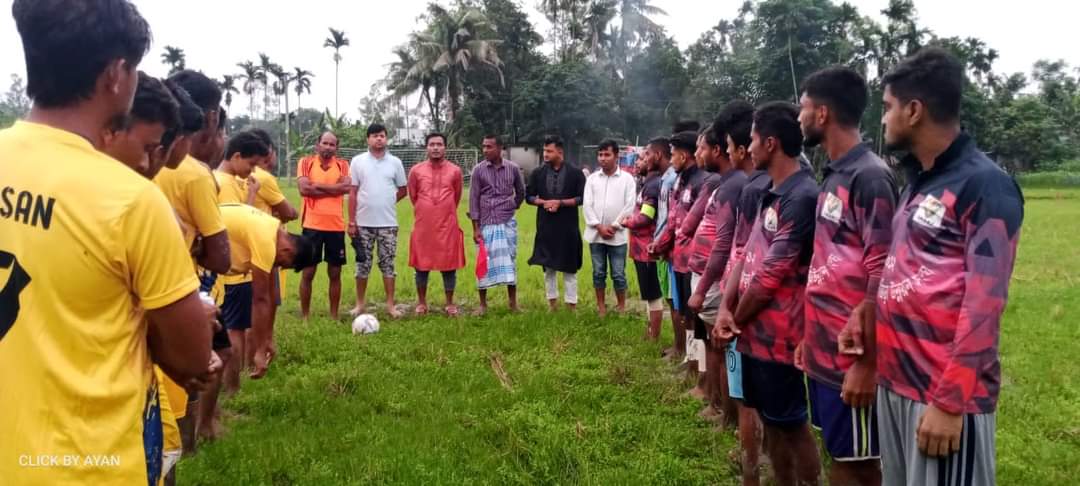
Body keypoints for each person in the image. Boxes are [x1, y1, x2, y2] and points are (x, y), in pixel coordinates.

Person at [1, 2, 217, 484]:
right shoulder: (130, 199)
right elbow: (191, 358)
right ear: (117, 74)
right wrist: (190, 321)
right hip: (86, 466)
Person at [874, 48, 1024, 486]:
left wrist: (949, 401)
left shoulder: (985, 186)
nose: (883, 120)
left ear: (914, 111)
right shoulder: (919, 181)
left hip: (940, 397)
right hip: (896, 383)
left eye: (887, 107)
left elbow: (984, 307)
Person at [797, 66, 898, 486]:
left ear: (822, 114)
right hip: (823, 349)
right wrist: (809, 336)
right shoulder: (835, 174)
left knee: (857, 465)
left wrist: (867, 363)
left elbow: (883, 271)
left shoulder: (869, 176)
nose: (799, 117)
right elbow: (827, 263)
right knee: (839, 452)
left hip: (851, 359)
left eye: (803, 108)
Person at [714, 102, 821, 486]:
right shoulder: (770, 192)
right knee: (771, 423)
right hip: (752, 334)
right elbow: (746, 256)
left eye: (754, 139)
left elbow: (771, 274)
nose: (750, 146)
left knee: (791, 426)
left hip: (780, 338)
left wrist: (733, 317)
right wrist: (726, 308)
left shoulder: (802, 196)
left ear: (771, 143)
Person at [710, 100, 767, 486]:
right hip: (746, 304)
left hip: (749, 309)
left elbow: (742, 253)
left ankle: (752, 470)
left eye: (730, 146)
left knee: (750, 396)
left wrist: (729, 307)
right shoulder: (766, 186)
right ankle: (758, 458)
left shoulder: (751, 189)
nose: (728, 153)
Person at [686, 119, 750, 427]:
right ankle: (716, 403)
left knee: (720, 346)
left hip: (717, 280)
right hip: (708, 276)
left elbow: (725, 242)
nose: (698, 153)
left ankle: (727, 415)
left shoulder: (735, 185)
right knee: (713, 343)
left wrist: (703, 288)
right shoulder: (723, 183)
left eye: (702, 148)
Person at [649, 130, 709, 370]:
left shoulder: (703, 182)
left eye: (673, 154)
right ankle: (690, 361)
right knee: (684, 313)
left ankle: (698, 366)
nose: (671, 158)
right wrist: (660, 244)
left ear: (683, 156)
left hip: (695, 262)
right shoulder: (679, 181)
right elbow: (673, 219)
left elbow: (691, 225)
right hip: (678, 259)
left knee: (696, 316)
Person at [349, 123, 408, 318]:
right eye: (374, 136)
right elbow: (353, 192)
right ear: (368, 139)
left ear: (386, 138)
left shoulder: (395, 162)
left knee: (388, 264)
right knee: (362, 265)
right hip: (363, 224)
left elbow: (403, 190)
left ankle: (390, 305)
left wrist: (387, 202)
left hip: (388, 224)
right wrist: (352, 221)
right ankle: (360, 304)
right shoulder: (357, 161)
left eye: (382, 135)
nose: (379, 139)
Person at [407, 132, 466, 316]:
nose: (435, 148)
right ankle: (421, 303)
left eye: (439, 144)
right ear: (426, 147)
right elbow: (413, 196)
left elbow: (456, 197)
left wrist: (443, 210)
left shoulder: (455, 171)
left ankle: (449, 303)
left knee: (449, 265)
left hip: (447, 226)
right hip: (424, 226)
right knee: (421, 265)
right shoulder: (416, 171)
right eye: (432, 144)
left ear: (445, 147)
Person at [527, 135, 587, 311]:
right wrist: (544, 203)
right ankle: (552, 305)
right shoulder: (538, 173)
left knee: (570, 268)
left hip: (568, 228)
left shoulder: (576, 173)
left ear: (560, 152)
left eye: (549, 151)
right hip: (546, 227)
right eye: (544, 150)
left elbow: (582, 198)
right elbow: (528, 197)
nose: (545, 154)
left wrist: (560, 203)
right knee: (548, 268)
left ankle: (571, 306)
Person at [469, 135, 526, 315]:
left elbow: (521, 192)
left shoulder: (513, 168)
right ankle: (482, 304)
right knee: (483, 262)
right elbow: (473, 199)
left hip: (507, 221)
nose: (485, 150)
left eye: (489, 147)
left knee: (510, 260)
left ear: (500, 148)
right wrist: (475, 228)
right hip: (485, 222)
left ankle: (513, 303)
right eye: (484, 146)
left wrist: (512, 205)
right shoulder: (478, 170)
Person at [297, 131, 351, 321]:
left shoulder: (343, 165)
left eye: (332, 144)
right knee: (308, 272)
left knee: (335, 273)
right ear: (317, 145)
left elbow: (346, 188)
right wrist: (334, 190)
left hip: (336, 227)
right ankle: (305, 316)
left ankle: (334, 316)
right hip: (312, 225)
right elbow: (304, 189)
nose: (328, 147)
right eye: (325, 143)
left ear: (337, 147)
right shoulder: (306, 162)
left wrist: (317, 186)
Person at [583, 139, 636, 316]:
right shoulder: (592, 179)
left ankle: (621, 307)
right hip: (596, 235)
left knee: (618, 273)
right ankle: (601, 307)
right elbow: (587, 205)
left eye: (607, 154)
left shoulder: (627, 179)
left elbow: (630, 205)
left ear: (616, 156)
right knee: (598, 272)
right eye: (600, 154)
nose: (603, 158)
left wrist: (614, 226)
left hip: (617, 236)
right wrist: (599, 226)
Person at [620, 140, 665, 339]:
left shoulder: (653, 185)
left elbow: (646, 216)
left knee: (652, 293)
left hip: (648, 249)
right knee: (648, 293)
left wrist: (627, 221)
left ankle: (654, 336)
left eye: (644, 156)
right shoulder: (648, 183)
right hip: (640, 248)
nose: (639, 161)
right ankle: (650, 330)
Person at [650, 136, 681, 358]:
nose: (645, 158)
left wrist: (661, 243)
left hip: (670, 248)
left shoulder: (672, 180)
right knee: (671, 298)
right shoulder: (665, 179)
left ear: (658, 155)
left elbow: (671, 218)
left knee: (675, 300)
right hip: (663, 245)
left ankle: (681, 349)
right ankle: (678, 346)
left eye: (648, 154)